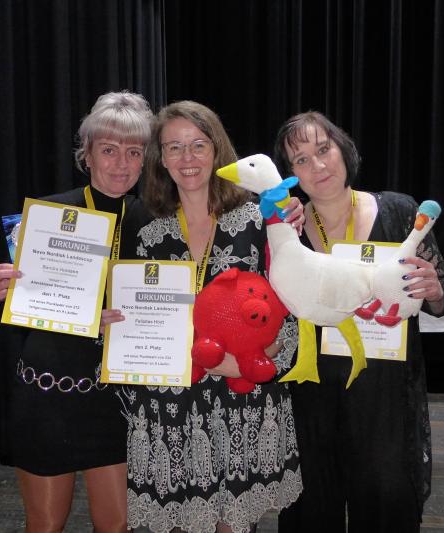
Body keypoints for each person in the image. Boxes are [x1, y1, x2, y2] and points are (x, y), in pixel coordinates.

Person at [115, 101, 303, 533]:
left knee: (233, 525)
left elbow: (291, 304)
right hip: (171, 401)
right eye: (174, 147)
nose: (188, 157)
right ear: (161, 158)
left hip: (243, 396)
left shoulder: (260, 217)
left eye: (198, 145)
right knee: (179, 522)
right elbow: (130, 308)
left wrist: (254, 363)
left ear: (218, 150)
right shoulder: (144, 228)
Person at [272, 111, 444, 532]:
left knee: (386, 503)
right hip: (311, 393)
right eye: (301, 160)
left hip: (384, 393)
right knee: (311, 508)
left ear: (343, 149)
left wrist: (433, 288)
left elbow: (442, 296)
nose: (318, 165)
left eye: (324, 149)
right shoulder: (288, 231)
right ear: (291, 175)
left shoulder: (400, 211)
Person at [0, 91, 153, 533]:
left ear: (145, 160)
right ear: (87, 154)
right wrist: (0, 292)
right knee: (45, 525)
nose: (121, 164)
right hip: (49, 390)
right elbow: (22, 309)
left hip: (115, 403)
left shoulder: (156, 223)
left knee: (116, 526)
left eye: (133, 152)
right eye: (109, 150)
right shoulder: (47, 215)